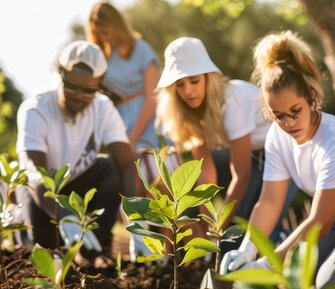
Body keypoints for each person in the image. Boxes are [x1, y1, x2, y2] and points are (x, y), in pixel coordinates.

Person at [219, 31, 335, 289]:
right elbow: (269, 202)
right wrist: (247, 250)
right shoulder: (277, 136)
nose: (289, 123)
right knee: (295, 282)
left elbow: (320, 221)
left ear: (312, 98)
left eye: (295, 111)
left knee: (330, 287)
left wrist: (266, 264)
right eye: (278, 116)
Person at [154, 37, 294, 255]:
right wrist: (205, 220)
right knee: (228, 243)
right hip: (254, 158)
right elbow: (205, 172)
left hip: (285, 156)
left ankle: (282, 243)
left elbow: (241, 174)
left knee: (248, 236)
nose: (188, 91)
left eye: (194, 81)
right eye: (180, 85)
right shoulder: (192, 110)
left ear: (208, 78)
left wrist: (218, 226)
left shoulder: (232, 100)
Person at [15, 40, 136, 264]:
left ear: (99, 85)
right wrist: (64, 216)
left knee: (112, 169)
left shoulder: (103, 107)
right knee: (50, 263)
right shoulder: (36, 109)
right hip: (41, 192)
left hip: (77, 187)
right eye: (72, 86)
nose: (79, 96)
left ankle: (95, 251)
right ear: (59, 74)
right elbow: (34, 173)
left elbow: (127, 164)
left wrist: (138, 222)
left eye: (89, 90)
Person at [86, 2, 160, 152]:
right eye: (98, 33)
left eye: (105, 32)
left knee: (152, 167)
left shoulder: (141, 49)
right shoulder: (102, 58)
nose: (103, 37)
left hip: (147, 120)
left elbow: (153, 96)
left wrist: (133, 138)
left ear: (117, 26)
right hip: (118, 123)